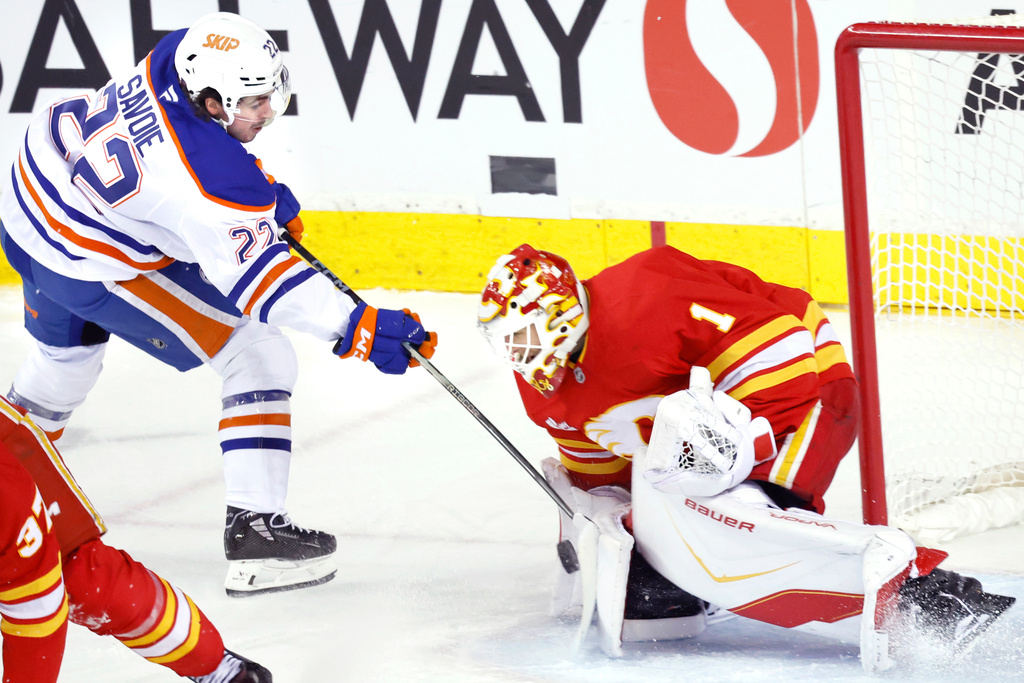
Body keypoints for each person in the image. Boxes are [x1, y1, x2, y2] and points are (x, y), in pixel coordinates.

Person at [0, 11, 436, 597]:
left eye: (269, 96)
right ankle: (256, 537)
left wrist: (259, 202)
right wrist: (358, 325)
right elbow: (260, 281)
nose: (266, 113)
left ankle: (4, 504)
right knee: (257, 354)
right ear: (210, 99)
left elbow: (172, 179)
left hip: (27, 210)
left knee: (62, 365)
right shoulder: (213, 178)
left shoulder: (177, 53)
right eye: (252, 102)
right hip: (88, 260)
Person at [476, 244, 1015, 672]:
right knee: (696, 506)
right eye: (507, 345)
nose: (518, 358)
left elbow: (783, 356)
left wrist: (739, 462)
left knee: (754, 510)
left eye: (522, 338)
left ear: (560, 311)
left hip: (800, 368)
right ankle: (700, 577)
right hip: (714, 411)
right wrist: (631, 534)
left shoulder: (648, 298)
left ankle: (926, 595)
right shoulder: (544, 388)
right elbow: (603, 474)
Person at [0, 395, 271, 682]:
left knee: (84, 577)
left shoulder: (7, 499)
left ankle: (212, 665)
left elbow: (34, 610)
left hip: (13, 460)